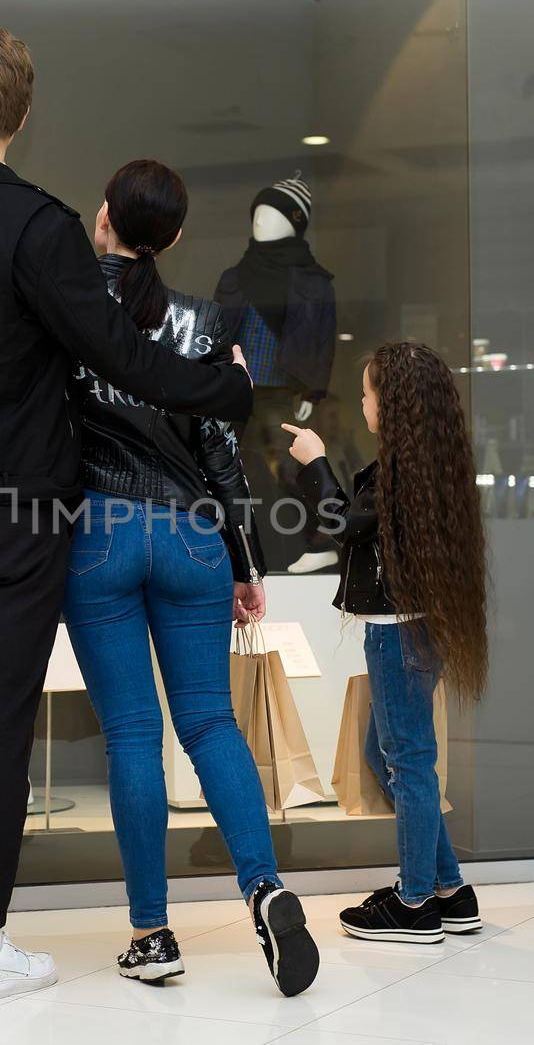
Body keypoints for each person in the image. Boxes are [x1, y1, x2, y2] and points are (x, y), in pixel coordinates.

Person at [0, 21, 253, 1002]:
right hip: (15, 519)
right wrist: (223, 390)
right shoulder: (39, 225)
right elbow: (119, 353)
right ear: (19, 113)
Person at [62, 160, 318, 996]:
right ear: (171, 239)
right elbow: (222, 454)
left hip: (99, 533)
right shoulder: (204, 321)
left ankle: (152, 933)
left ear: (103, 218)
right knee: (211, 725)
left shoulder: (66, 313)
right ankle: (265, 888)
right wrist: (246, 563)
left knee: (134, 736)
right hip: (194, 538)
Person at [282, 342, 488, 944]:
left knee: (408, 762)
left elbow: (340, 525)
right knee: (390, 757)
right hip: (415, 630)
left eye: (369, 393)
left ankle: (415, 901)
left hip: (400, 635)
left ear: (391, 403)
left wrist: (316, 462)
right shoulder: (426, 464)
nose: (364, 403)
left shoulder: (405, 471)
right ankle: (449, 889)